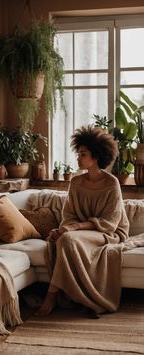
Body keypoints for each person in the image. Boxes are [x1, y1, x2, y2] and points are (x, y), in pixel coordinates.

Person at [36, 125, 129, 318]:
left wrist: (76, 227)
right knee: (62, 239)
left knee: (68, 240)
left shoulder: (112, 183)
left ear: (96, 156)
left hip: (108, 232)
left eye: (82, 154)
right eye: (78, 153)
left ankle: (51, 296)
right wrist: (66, 228)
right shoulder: (76, 182)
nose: (78, 158)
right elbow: (68, 215)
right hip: (81, 232)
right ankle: (82, 298)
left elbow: (110, 222)